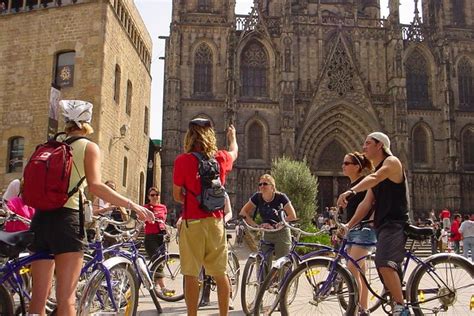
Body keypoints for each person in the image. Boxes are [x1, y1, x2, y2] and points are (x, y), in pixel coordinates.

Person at [28, 100, 154, 316]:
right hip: (66, 223)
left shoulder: (50, 146)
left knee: (38, 300)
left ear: (66, 123)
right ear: (87, 121)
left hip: (41, 220)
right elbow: (96, 187)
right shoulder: (88, 147)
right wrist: (131, 204)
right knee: (66, 298)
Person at [337, 132, 410, 316]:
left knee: (383, 262)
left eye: (368, 143)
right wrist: (349, 225)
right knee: (382, 264)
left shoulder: (392, 162)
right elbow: (366, 204)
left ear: (380, 146)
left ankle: (401, 308)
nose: (364, 147)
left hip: (395, 223)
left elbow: (375, 178)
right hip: (382, 225)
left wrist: (350, 192)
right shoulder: (377, 171)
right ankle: (390, 299)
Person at [172, 118, 238, 316]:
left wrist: (193, 201)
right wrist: (232, 137)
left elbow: (177, 195)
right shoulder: (220, 158)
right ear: (210, 136)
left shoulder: (182, 161)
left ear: (189, 137)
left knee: (191, 274)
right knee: (220, 274)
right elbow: (234, 152)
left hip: (193, 222)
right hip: (216, 222)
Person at [340, 151, 376, 316]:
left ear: (357, 167)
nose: (343, 166)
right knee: (360, 273)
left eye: (347, 163)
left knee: (351, 270)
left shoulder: (365, 183)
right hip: (355, 231)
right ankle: (363, 309)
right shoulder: (353, 186)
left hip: (365, 231)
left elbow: (370, 205)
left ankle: (353, 311)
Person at [239, 174, 297, 264]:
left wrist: (280, 223)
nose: (262, 186)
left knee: (282, 264)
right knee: (263, 262)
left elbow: (292, 215)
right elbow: (243, 212)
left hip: (281, 233)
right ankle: (264, 278)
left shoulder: (281, 197)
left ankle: (283, 278)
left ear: (272, 186)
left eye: (265, 184)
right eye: (260, 184)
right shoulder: (257, 197)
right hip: (267, 233)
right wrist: (256, 225)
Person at [143, 187, 174, 296]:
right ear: (148, 197)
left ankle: (154, 281)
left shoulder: (163, 207)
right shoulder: (145, 207)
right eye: (152, 195)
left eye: (156, 194)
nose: (155, 197)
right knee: (158, 260)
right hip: (150, 237)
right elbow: (140, 219)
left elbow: (163, 221)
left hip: (161, 236)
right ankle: (163, 288)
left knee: (162, 261)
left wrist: (166, 230)